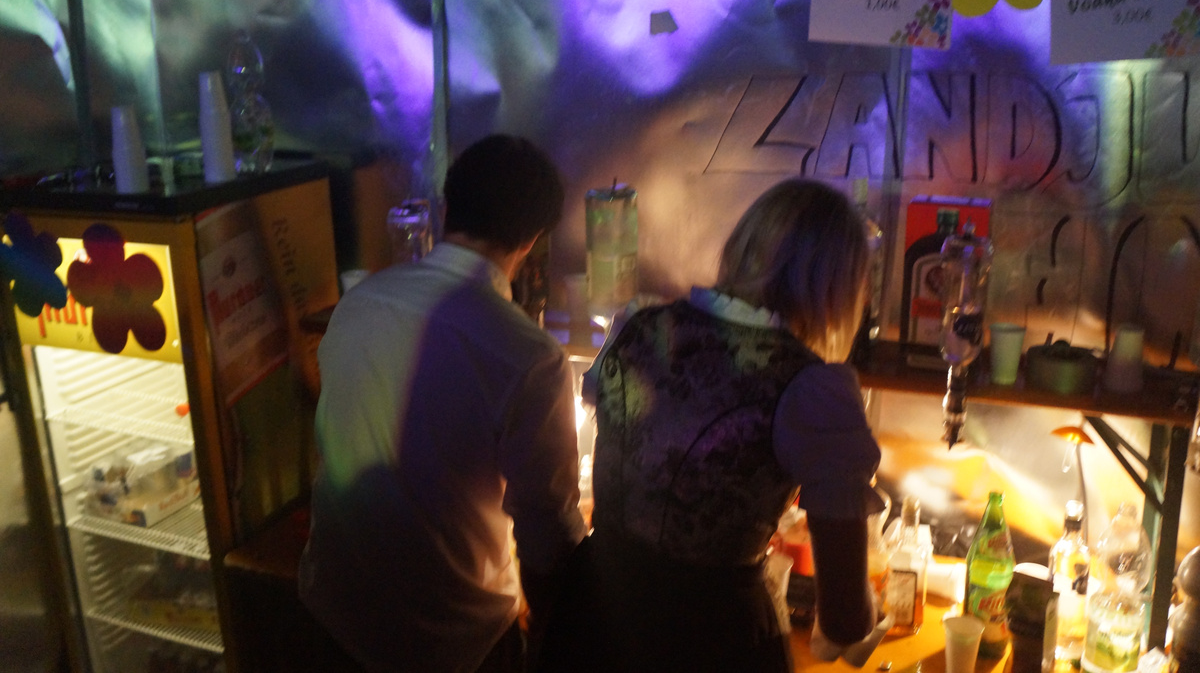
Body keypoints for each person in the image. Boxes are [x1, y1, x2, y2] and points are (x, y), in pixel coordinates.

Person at [538, 178, 888, 672]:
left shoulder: (640, 326)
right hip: (710, 640)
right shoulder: (813, 390)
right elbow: (847, 620)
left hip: (592, 621)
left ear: (743, 248)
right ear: (841, 288)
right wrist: (871, 613)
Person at [299, 134, 587, 673]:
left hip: (335, 614)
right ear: (532, 240)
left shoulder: (359, 303)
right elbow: (546, 535)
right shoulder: (529, 356)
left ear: (447, 208)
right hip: (452, 640)